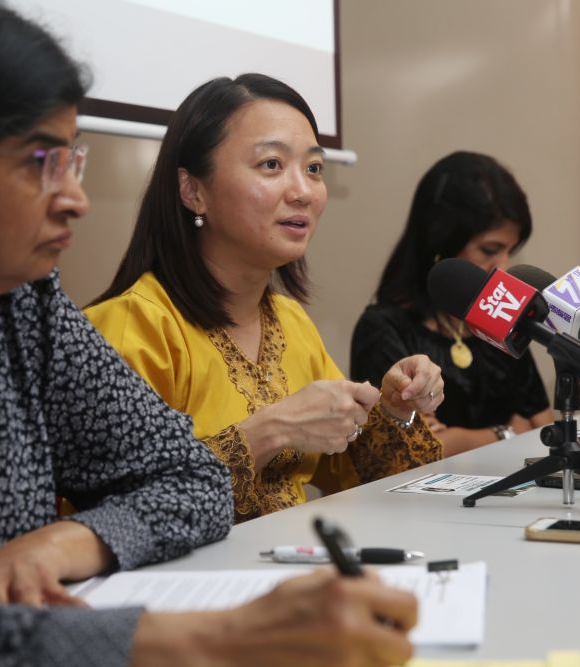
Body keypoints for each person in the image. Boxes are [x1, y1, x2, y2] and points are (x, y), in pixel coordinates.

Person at [0, 2, 417, 666]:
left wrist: (63, 541)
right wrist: (205, 639)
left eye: (74, 161)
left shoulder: (22, 308)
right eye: (39, 160)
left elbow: (191, 476)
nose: (76, 198)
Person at [86, 74, 445, 522]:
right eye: (272, 165)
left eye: (314, 168)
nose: (303, 191)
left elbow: (360, 474)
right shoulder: (131, 327)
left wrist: (393, 409)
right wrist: (270, 431)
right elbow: (113, 512)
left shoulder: (289, 321)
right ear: (193, 191)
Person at [351, 152, 552, 455]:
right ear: (441, 242)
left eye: (511, 250)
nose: (502, 267)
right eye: (490, 250)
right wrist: (509, 430)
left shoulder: (501, 316)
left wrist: (463, 438)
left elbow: (544, 427)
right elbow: (419, 451)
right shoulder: (384, 329)